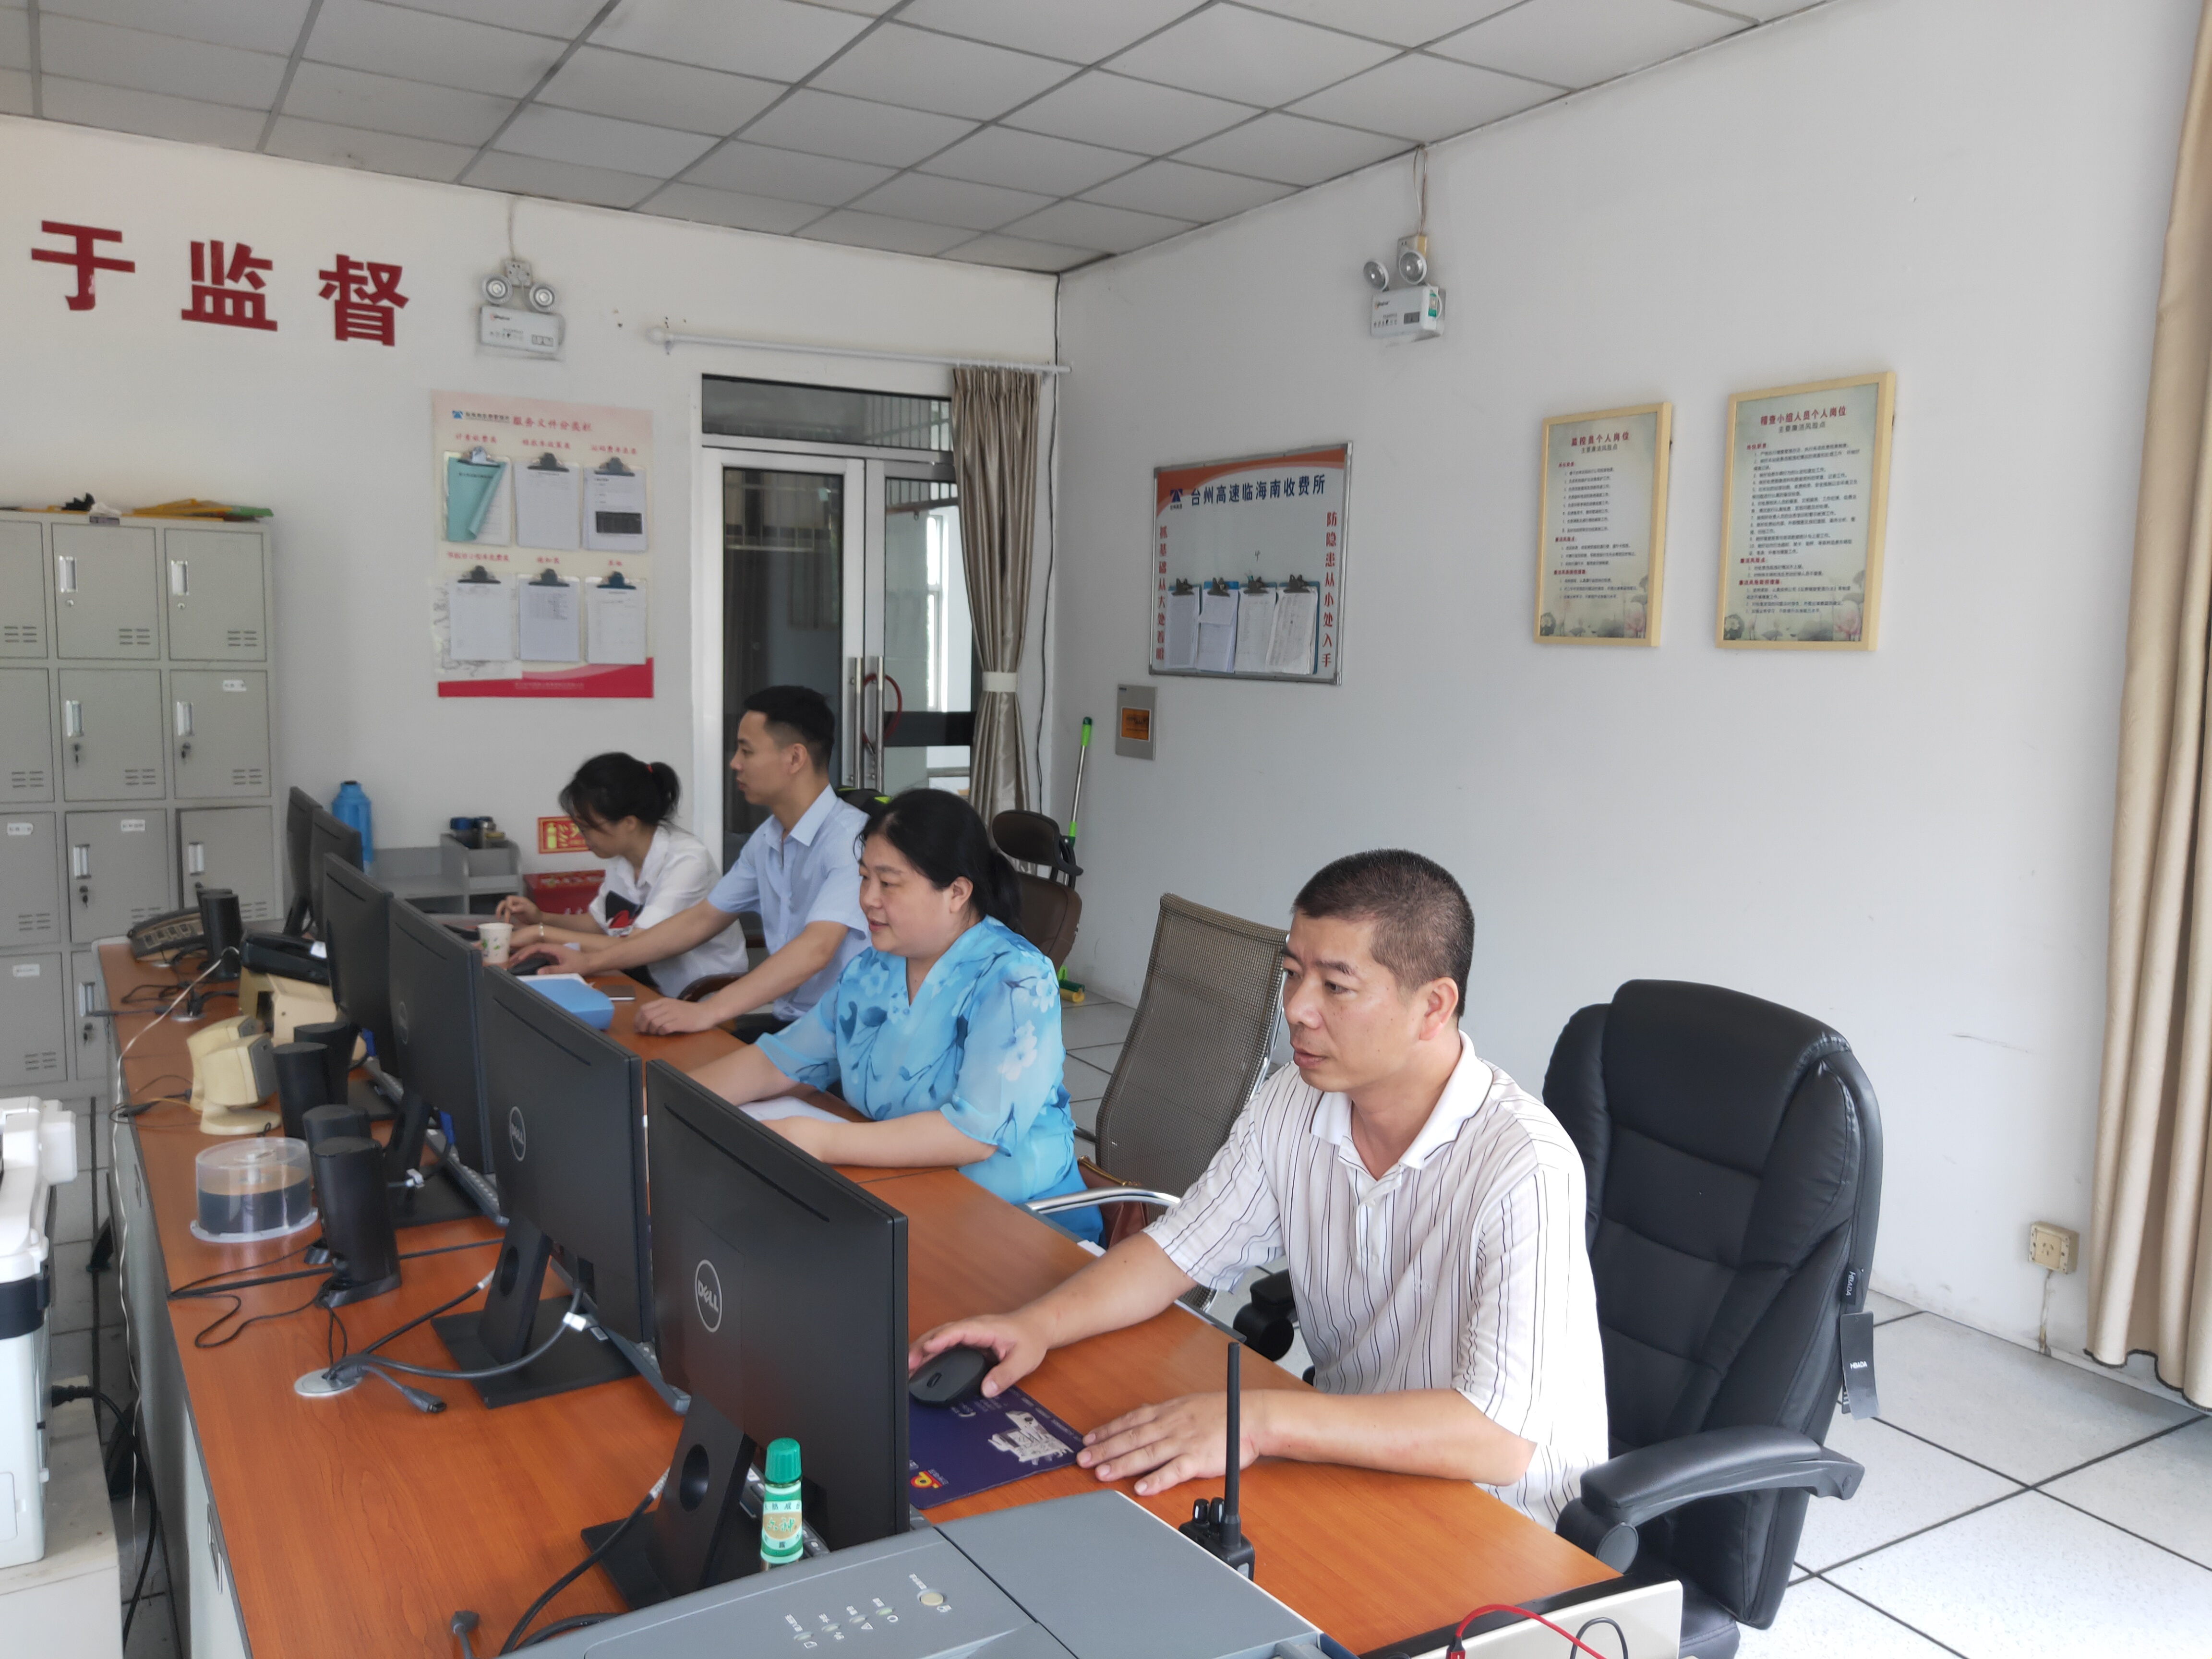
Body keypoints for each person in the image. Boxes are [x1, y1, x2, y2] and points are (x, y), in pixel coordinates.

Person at [907, 850, 1608, 1524]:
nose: (1297, 1008)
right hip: (1352, 1464)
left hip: (1504, 1523)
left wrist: (1259, 1420)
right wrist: (1035, 1326)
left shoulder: (1525, 1165)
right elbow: (1178, 1251)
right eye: (1292, 973)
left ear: (1433, 1006)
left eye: (1336, 987)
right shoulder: (1294, 1099)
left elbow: (1497, 1440)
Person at [687, 788, 1100, 1242]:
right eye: (864, 878)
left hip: (1022, 1223)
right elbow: (781, 1059)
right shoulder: (874, 968)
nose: (867, 898)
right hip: (902, 1196)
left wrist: (821, 1140)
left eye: (888, 883)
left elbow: (974, 1135)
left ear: (957, 892)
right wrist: (672, 1098)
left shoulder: (1016, 979)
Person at [509, 685, 869, 1040]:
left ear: (794, 758)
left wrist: (707, 1011)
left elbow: (816, 948)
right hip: (792, 1024)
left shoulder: (851, 841)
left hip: (849, 1032)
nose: (735, 763)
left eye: (746, 751)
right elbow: (701, 920)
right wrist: (589, 962)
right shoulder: (767, 840)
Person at [493, 755, 744, 997]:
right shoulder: (622, 857)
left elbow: (638, 945)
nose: (582, 837)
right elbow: (602, 924)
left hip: (698, 992)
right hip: (643, 980)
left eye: (588, 828)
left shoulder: (687, 861)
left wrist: (542, 933)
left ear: (629, 823)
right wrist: (542, 918)